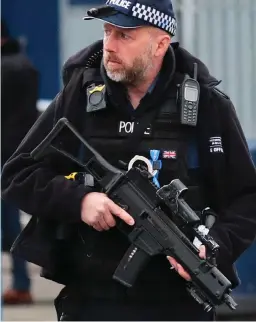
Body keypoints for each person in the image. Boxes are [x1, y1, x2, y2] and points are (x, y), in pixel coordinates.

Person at [1, 0, 256, 320]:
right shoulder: (81, 95)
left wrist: (214, 245)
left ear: (161, 43)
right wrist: (79, 201)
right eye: (107, 32)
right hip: (91, 299)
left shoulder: (206, 105)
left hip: (175, 302)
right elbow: (17, 174)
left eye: (125, 35)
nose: (109, 46)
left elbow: (247, 198)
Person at [1, 19, 39, 304]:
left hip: (4, 155)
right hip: (17, 156)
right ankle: (21, 282)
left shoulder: (5, 69)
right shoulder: (25, 65)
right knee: (13, 223)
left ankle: (21, 283)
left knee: (11, 224)